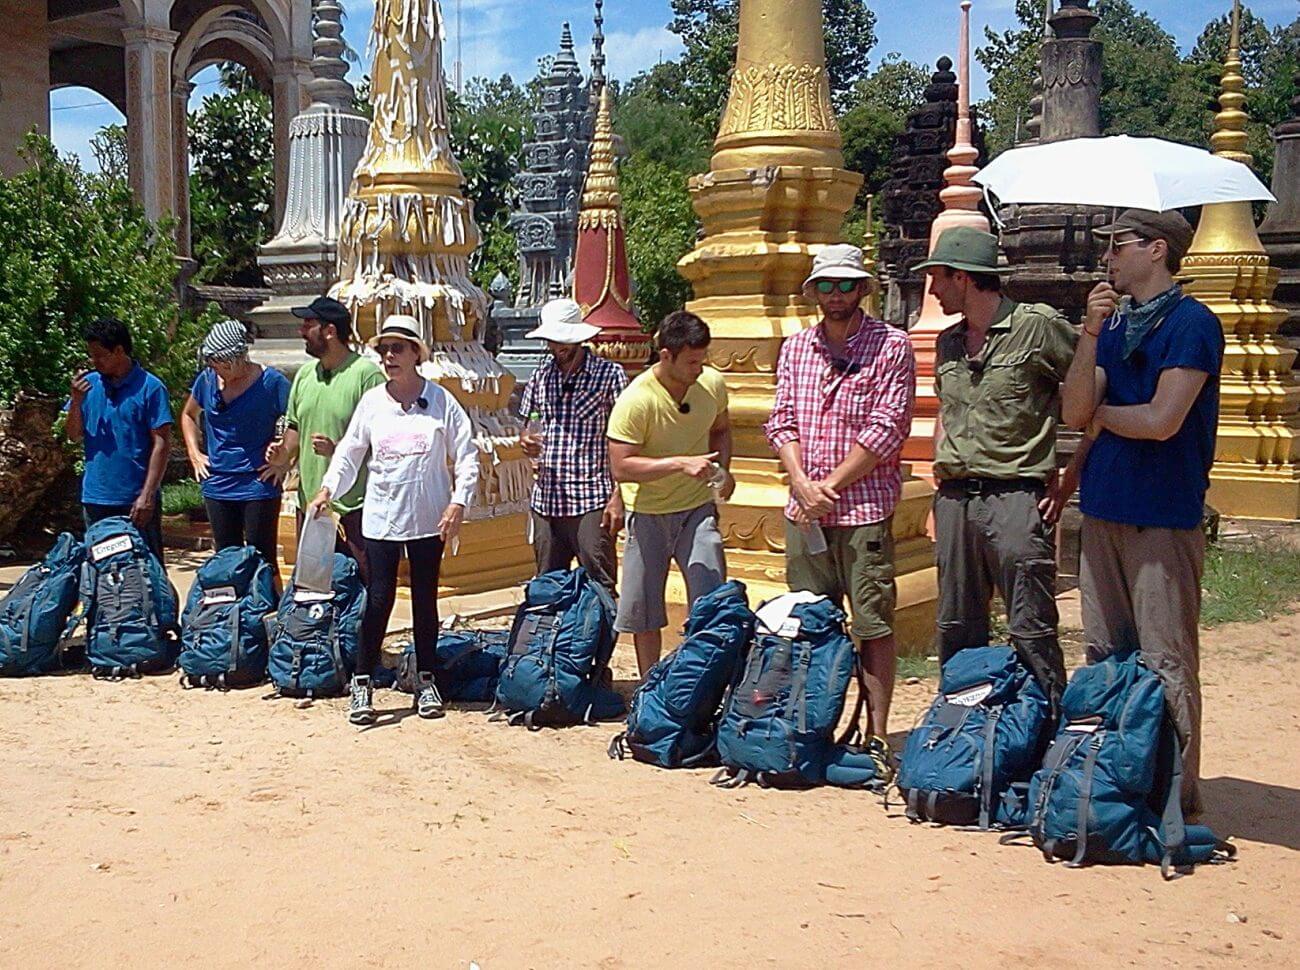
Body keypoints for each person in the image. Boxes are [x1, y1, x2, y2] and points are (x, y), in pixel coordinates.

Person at [1061, 208, 1223, 819]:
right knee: (1105, 654)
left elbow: (1161, 420)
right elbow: (1075, 410)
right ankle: (1115, 784)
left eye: (1118, 245)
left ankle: (1175, 795)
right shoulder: (1116, 327)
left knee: (1165, 657)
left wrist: (1105, 417)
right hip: (1103, 507)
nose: (1108, 257)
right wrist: (1088, 333)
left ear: (1157, 250)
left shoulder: (1192, 324)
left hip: (1161, 514)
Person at [914, 226, 1075, 716]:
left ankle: (1048, 735)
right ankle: (962, 735)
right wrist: (935, 494)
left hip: (1016, 498)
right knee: (957, 629)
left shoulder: (1038, 327)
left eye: (938, 278)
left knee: (1031, 628)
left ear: (963, 277)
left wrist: (1071, 476)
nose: (933, 290)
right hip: (957, 499)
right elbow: (948, 415)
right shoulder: (948, 345)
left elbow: (1096, 392)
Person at [764, 244, 915, 756]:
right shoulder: (795, 348)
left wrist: (830, 486)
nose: (835, 295)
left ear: (862, 290)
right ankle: (811, 727)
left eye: (845, 285)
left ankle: (876, 735)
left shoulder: (892, 347)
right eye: (826, 286)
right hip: (804, 510)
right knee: (808, 624)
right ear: (813, 293)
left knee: (872, 623)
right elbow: (781, 419)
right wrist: (802, 482)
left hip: (864, 507)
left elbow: (888, 427)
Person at [307, 315, 478, 726]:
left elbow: (467, 455)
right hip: (382, 516)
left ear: (417, 354)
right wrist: (329, 488)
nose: (389, 356)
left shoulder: (440, 401)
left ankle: (427, 679)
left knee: (424, 600)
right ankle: (362, 681)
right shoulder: (372, 404)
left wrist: (458, 502)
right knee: (379, 599)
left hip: (428, 518)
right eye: (384, 349)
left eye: (398, 348)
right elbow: (350, 452)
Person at [607, 311, 732, 676]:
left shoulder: (711, 384)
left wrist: (724, 469)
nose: (699, 368)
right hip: (648, 511)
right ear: (666, 356)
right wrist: (679, 464)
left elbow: (721, 429)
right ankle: (649, 686)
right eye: (692, 361)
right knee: (644, 608)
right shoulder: (636, 401)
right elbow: (622, 466)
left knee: (711, 595)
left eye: (703, 359)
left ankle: (706, 680)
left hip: (697, 507)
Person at [263, 296, 384, 583]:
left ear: (330, 331)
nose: (301, 331)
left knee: (363, 590)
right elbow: (294, 428)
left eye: (308, 324)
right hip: (312, 506)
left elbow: (383, 444)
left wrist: (338, 449)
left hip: (354, 509)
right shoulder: (305, 376)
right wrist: (282, 454)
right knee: (314, 590)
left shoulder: (367, 377)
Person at [518, 299, 627, 592]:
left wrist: (619, 495)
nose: (557, 347)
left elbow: (626, 439)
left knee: (599, 583)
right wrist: (526, 442)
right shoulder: (541, 377)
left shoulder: (609, 375)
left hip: (591, 496)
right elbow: (528, 425)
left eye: (563, 340)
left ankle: (599, 637)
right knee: (547, 585)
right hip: (547, 498)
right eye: (553, 341)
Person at [180, 320, 291, 594]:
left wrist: (284, 458)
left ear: (238, 358)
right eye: (213, 362)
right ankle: (231, 618)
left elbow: (295, 422)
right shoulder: (206, 381)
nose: (216, 368)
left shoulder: (272, 382)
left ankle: (269, 614)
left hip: (258, 481)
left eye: (221, 362)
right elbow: (188, 415)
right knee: (225, 558)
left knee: (261, 557)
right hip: (218, 481)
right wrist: (195, 454)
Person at [65, 317, 172, 561]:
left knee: (145, 568)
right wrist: (76, 402)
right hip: (96, 497)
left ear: (119, 351)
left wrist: (147, 495)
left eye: (100, 355)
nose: (94, 361)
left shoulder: (151, 388)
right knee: (100, 570)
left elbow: (162, 444)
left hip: (134, 500)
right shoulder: (88, 386)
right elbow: (73, 435)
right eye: (91, 355)